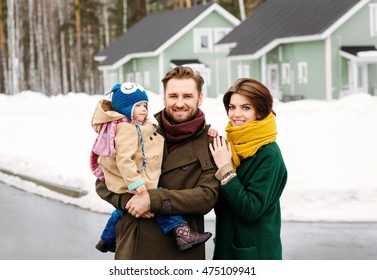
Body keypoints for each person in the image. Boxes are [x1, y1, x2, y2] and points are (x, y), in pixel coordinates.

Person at [95, 66, 220, 260]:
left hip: (180, 255)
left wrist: (153, 200)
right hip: (133, 247)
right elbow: (104, 182)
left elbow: (207, 197)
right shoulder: (136, 128)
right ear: (164, 98)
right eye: (173, 96)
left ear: (200, 98)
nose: (179, 103)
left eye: (187, 96)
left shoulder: (210, 142)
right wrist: (131, 202)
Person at [209, 78, 287, 260]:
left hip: (255, 254)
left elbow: (250, 210)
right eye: (232, 107)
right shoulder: (231, 145)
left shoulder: (269, 154)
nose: (236, 114)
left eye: (245, 108)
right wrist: (208, 139)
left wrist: (226, 170)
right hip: (226, 248)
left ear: (260, 111)